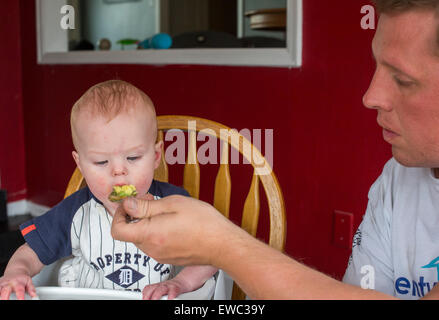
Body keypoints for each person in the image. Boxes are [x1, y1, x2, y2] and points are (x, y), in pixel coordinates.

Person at [111, 0, 439, 300]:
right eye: (377, 65)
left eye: (403, 80)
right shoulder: (397, 180)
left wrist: (225, 247)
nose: (371, 96)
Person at [0, 80, 217, 300]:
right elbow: (32, 251)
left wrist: (181, 282)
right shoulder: (74, 212)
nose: (119, 171)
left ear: (156, 157)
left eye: (133, 157)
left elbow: (213, 253)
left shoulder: (175, 205)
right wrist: (17, 272)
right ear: (80, 164)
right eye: (101, 162)